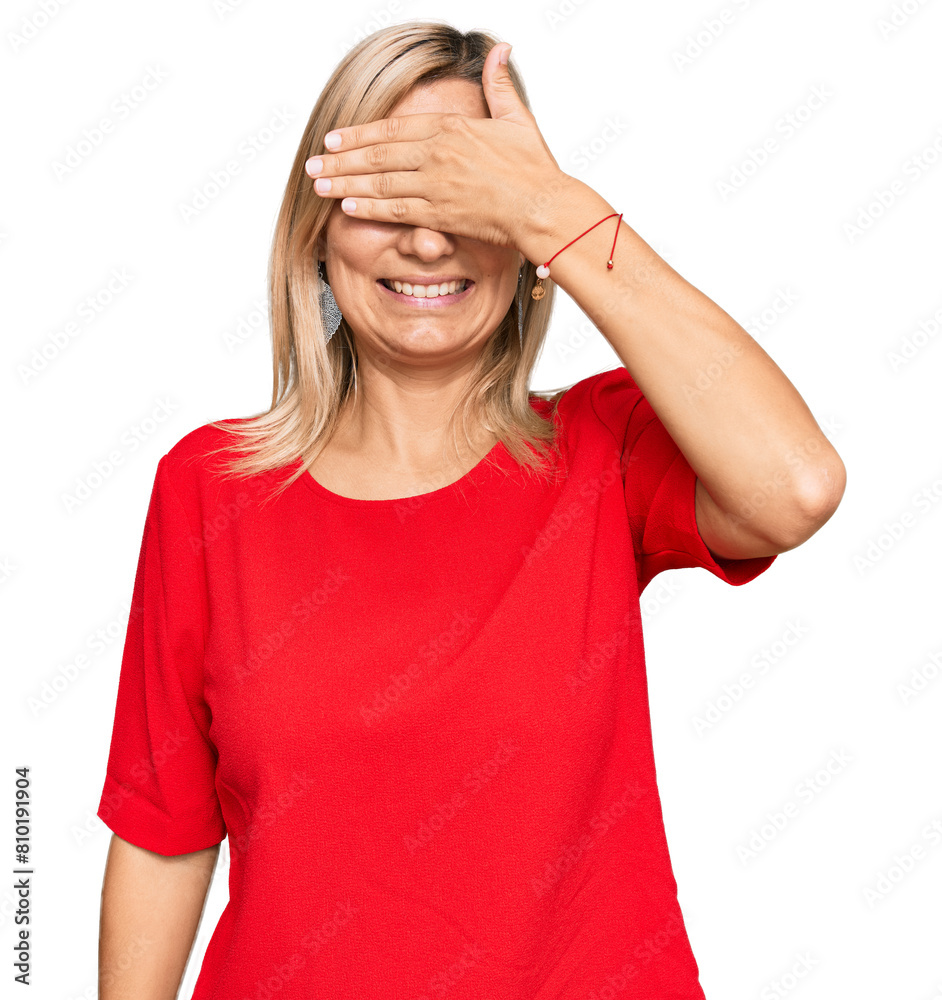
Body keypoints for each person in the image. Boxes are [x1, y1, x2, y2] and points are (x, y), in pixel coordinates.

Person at [96, 19, 846, 1000]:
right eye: (386, 196)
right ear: (315, 235)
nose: (426, 238)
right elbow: (163, 831)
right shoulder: (210, 485)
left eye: (463, 196)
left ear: (527, 248)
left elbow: (796, 486)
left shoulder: (604, 450)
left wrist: (554, 208)